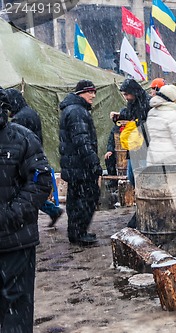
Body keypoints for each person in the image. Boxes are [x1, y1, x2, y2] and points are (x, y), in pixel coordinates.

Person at [0, 90, 52, 333]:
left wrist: (11, 215)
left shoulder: (21, 138)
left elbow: (40, 180)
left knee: (17, 310)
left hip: (16, 242)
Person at [4, 88, 64, 226]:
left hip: (26, 160)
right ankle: (53, 211)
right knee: (31, 190)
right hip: (33, 156)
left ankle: (52, 211)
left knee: (26, 191)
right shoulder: (30, 113)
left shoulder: (20, 118)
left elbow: (16, 142)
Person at [59, 80, 102, 245]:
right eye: (89, 92)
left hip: (74, 166)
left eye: (94, 92)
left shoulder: (72, 109)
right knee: (86, 199)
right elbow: (82, 142)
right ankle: (79, 233)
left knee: (75, 200)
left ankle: (76, 232)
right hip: (81, 167)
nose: (93, 95)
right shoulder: (77, 112)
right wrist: (94, 164)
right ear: (80, 93)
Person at [111, 78, 151, 187]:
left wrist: (137, 123)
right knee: (132, 178)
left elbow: (148, 123)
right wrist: (120, 116)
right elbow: (129, 115)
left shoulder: (147, 103)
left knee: (143, 179)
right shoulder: (133, 103)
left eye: (127, 94)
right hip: (134, 147)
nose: (126, 97)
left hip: (145, 147)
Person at [146, 84, 176, 166]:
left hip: (153, 155)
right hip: (171, 157)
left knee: (156, 178)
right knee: (173, 178)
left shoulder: (151, 112)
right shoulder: (173, 115)